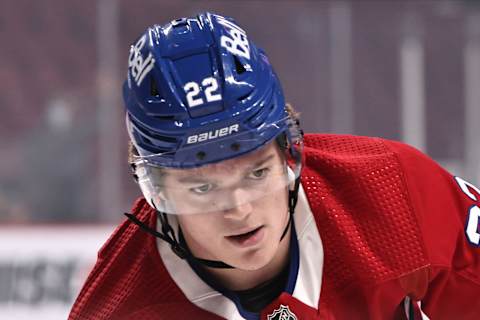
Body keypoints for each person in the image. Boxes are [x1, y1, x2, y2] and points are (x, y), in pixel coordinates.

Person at [69, 12, 480, 320]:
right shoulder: (119, 310)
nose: (239, 208)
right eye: (201, 188)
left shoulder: (393, 190)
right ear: (157, 191)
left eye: (256, 172)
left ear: (289, 153)